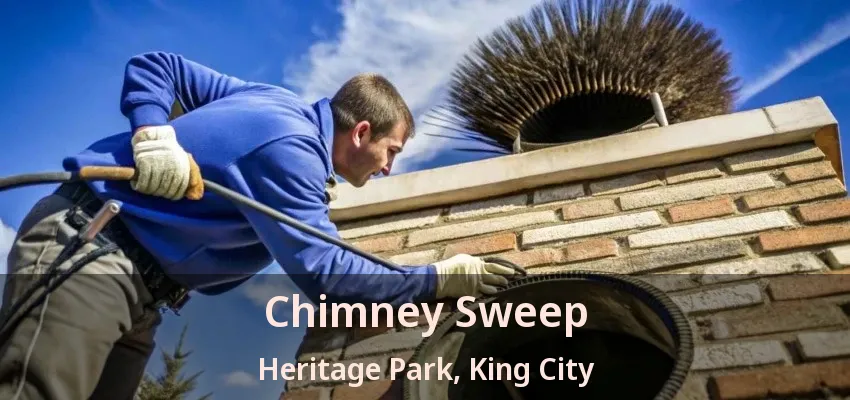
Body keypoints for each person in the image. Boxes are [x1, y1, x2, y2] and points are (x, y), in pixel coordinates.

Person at [0, 51, 516, 400]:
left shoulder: (272, 102)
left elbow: (162, 67)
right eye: (391, 151)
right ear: (361, 131)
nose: (389, 168)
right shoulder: (291, 148)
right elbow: (328, 275)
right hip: (92, 245)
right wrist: (439, 279)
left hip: (139, 289)